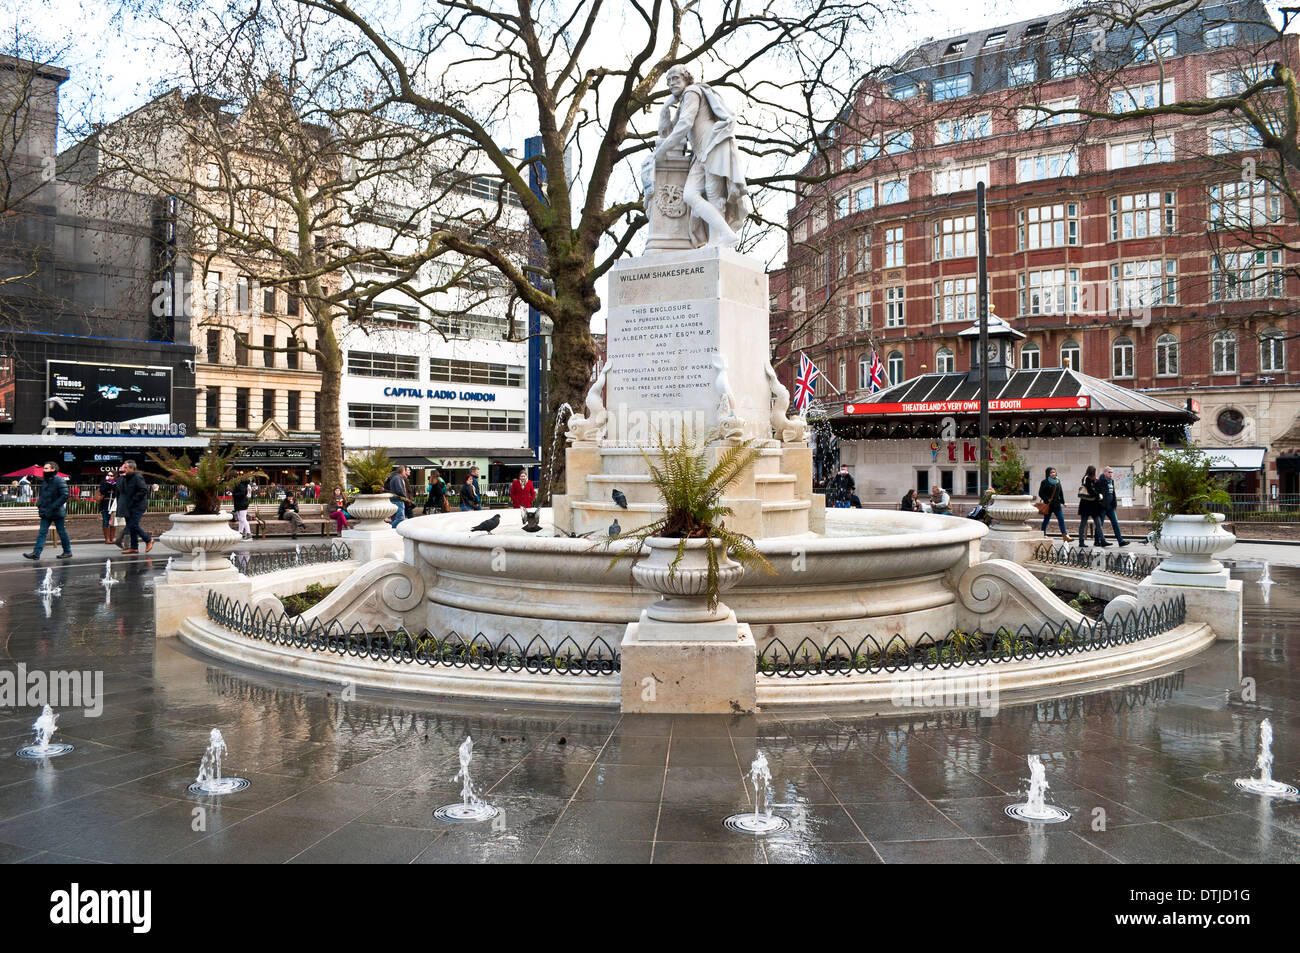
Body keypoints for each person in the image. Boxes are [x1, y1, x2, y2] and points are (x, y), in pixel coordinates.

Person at [647, 64, 749, 248]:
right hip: (700, 154)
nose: (672, 83)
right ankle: (722, 237)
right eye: (669, 81)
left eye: (676, 78)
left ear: (686, 78)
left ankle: (718, 240)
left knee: (713, 196)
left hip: (712, 146)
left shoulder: (692, 92)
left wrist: (660, 152)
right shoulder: (684, 100)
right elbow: (667, 132)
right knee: (690, 195)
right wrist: (665, 107)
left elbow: (685, 124)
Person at [23, 462, 72, 561]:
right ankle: (36, 553)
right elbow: (43, 496)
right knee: (42, 532)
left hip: (56, 512)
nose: (44, 470)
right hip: (46, 512)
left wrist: (53, 506)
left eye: (46, 468)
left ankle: (67, 551)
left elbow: (65, 495)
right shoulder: (46, 481)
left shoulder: (59, 480)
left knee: (61, 532)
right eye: (44, 468)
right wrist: (41, 506)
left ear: (53, 469)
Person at [116, 460, 154, 554]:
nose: (124, 469)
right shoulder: (124, 478)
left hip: (138, 506)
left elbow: (143, 490)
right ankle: (134, 547)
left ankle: (148, 540)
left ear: (132, 468)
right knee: (131, 527)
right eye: (124, 467)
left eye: (126, 468)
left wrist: (134, 500)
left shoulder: (137, 477)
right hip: (128, 506)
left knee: (133, 525)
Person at [1037, 467, 1072, 542]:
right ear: (1048, 474)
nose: (1053, 474)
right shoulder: (1044, 482)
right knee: (1046, 520)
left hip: (1056, 504)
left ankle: (1065, 535)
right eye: (1051, 472)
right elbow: (1040, 493)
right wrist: (1047, 499)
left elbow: (1060, 492)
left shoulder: (1058, 481)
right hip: (1048, 505)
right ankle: (1043, 533)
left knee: (1061, 519)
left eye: (1054, 472)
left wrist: (1063, 502)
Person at [1077, 464, 1108, 548]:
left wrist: (1095, 481)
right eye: (1093, 472)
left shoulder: (1092, 479)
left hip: (1092, 504)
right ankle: (1081, 542)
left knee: (1098, 523)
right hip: (1086, 504)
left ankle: (1103, 540)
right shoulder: (1086, 478)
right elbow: (1090, 490)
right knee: (1084, 523)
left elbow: (1093, 488)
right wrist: (1098, 496)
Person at [1098, 466, 1128, 546]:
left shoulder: (1111, 481)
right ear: (1105, 472)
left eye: (1112, 472)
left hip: (1110, 507)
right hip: (1102, 507)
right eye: (1109, 472)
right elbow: (1098, 493)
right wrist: (1101, 503)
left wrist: (1114, 502)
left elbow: (1113, 492)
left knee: (1115, 523)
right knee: (1100, 524)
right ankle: (1098, 541)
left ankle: (1120, 541)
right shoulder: (1100, 481)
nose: (1111, 474)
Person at [98, 473, 117, 544]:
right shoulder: (104, 483)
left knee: (113, 523)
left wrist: (113, 484)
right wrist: (108, 484)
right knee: (105, 522)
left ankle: (112, 538)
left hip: (114, 505)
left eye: (111, 476)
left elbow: (117, 491)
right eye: (108, 475)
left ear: (115, 476)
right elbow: (102, 491)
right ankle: (107, 539)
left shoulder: (117, 483)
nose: (109, 477)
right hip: (105, 505)